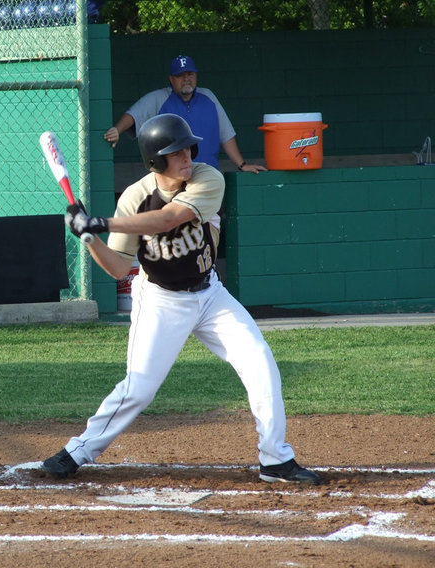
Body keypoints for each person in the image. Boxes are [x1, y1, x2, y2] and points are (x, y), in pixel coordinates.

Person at [42, 113, 319, 485]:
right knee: (139, 388)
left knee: (259, 361)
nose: (187, 156)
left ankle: (275, 459)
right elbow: (119, 269)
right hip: (161, 300)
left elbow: (168, 218)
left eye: (188, 148)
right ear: (156, 160)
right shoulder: (133, 200)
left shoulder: (208, 178)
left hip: (211, 295)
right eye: (176, 152)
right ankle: (78, 450)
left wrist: (100, 223)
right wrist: (88, 239)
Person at [103, 55, 265, 174]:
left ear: (196, 76)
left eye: (190, 74)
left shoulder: (208, 96)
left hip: (207, 176)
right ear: (171, 79)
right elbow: (133, 115)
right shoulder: (159, 98)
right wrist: (117, 130)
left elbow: (226, 134)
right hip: (173, 179)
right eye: (180, 75)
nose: (186, 79)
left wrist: (242, 165)